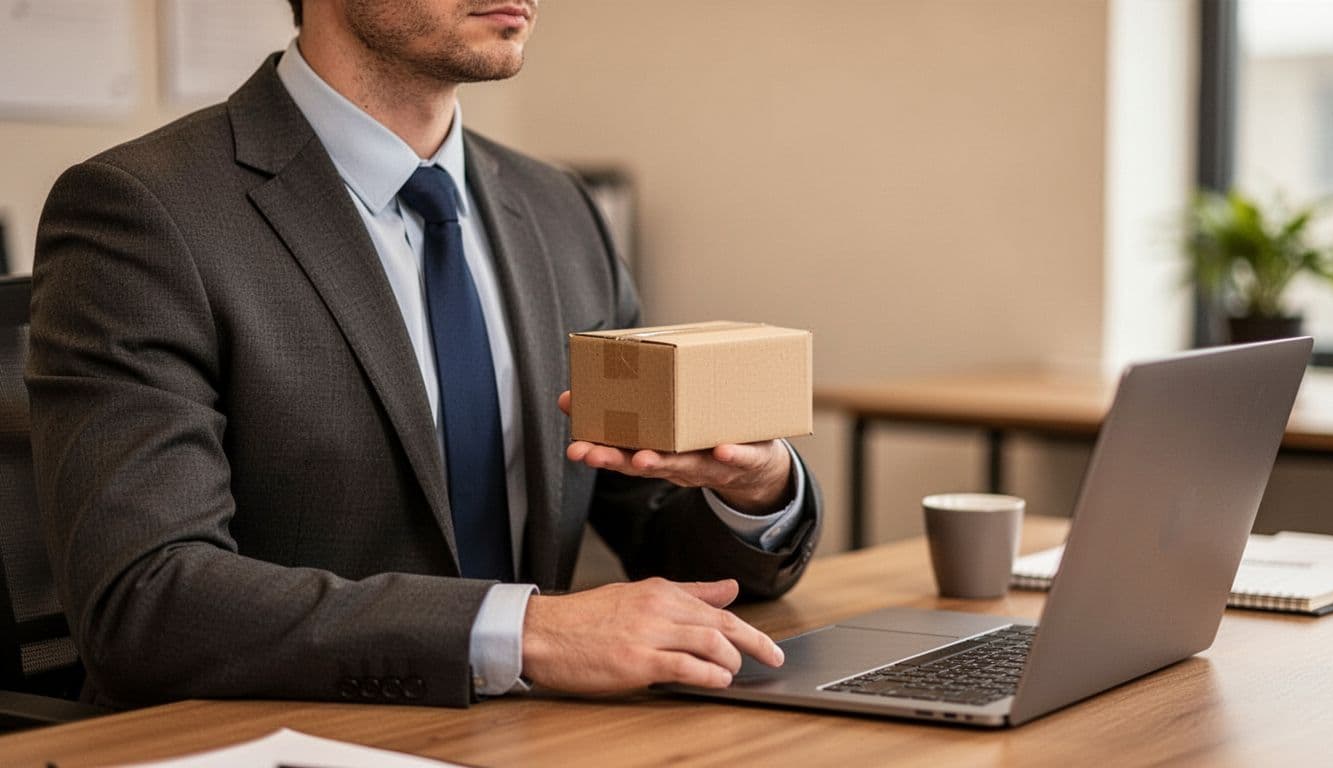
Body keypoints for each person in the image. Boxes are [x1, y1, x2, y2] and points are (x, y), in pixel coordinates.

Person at [28, 0, 821, 709]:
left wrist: (755, 492)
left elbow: (650, 516)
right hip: (283, 735)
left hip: (538, 736)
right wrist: (527, 633)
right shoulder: (142, 212)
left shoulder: (559, 209)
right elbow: (145, 598)